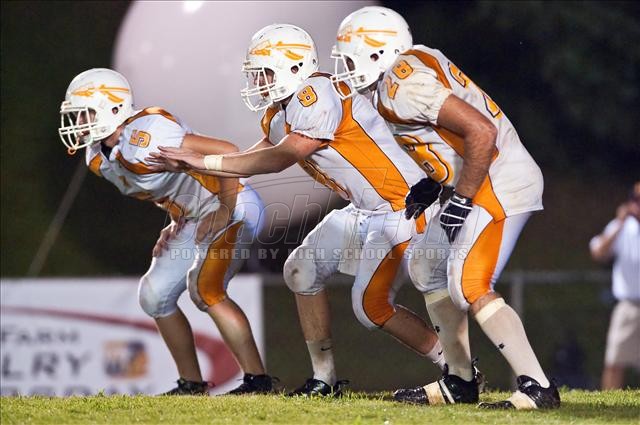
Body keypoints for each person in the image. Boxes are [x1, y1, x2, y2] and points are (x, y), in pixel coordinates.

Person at [150, 24, 448, 397]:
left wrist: (204, 160)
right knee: (300, 270)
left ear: (294, 67)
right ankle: (324, 380)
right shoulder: (281, 112)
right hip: (365, 209)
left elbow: (282, 158)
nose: (259, 81)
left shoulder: (315, 93)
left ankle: (457, 369)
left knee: (371, 307)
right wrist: (194, 165)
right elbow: (255, 157)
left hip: (403, 206)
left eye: (265, 72)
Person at [330, 6, 559, 409]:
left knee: (469, 284)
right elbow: (447, 137)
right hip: (480, 177)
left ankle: (537, 387)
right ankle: (459, 380)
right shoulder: (410, 67)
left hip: (497, 180)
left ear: (377, 52)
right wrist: (435, 182)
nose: (346, 70)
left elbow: (481, 132)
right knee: (426, 266)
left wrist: (461, 200)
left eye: (350, 59)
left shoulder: (402, 85)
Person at [58, 68, 274, 395]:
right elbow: (170, 187)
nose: (78, 121)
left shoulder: (147, 134)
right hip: (196, 215)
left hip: (234, 201)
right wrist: (176, 219)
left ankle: (258, 381)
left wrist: (225, 209)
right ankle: (191, 384)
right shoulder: (98, 158)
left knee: (205, 289)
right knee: (154, 295)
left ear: (112, 108)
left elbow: (229, 151)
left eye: (85, 112)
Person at [590, 182, 640, 390]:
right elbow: (598, 252)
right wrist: (619, 222)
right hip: (629, 305)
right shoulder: (622, 227)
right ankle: (610, 400)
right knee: (614, 362)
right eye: (636, 200)